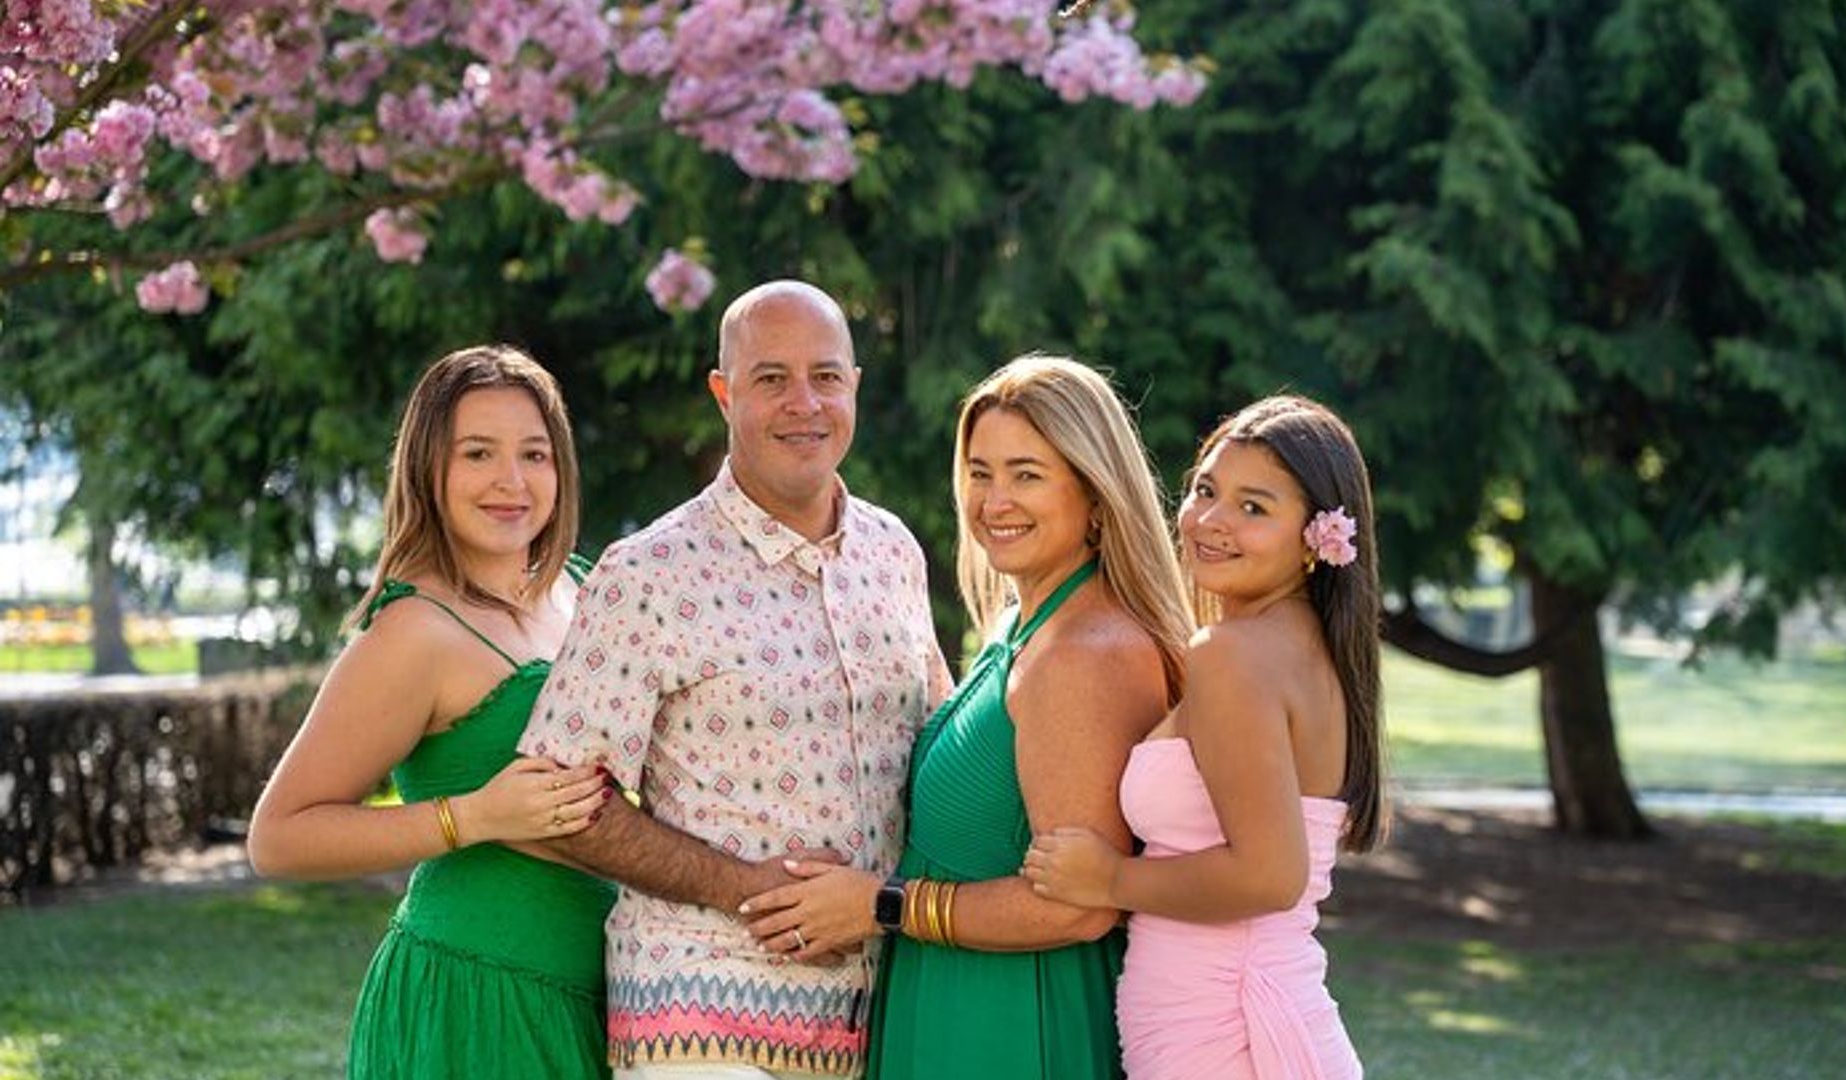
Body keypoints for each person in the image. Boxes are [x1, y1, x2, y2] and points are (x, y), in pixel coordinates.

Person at [515, 280, 951, 1079]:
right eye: (771, 378)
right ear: (724, 393)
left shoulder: (895, 552)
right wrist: (745, 887)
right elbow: (560, 801)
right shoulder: (649, 572)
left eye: (825, 376)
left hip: (881, 1015)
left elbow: (935, 753)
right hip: (704, 1019)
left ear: (855, 384)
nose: (804, 403)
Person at [736, 354, 1194, 1080]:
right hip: (954, 996)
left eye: (1027, 474)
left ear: (1095, 494)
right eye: (981, 473)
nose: (995, 500)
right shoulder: (1021, 626)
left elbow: (1077, 909)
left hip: (1013, 1020)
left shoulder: (1086, 652)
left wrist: (881, 907)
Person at [248, 345, 618, 1079]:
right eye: (478, 453)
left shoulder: (587, 591)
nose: (511, 481)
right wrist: (474, 818)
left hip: (611, 995)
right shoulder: (414, 633)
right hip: (476, 1001)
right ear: (430, 469)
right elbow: (278, 838)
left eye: (535, 454)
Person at [1022, 394, 1387, 1080]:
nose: (1211, 522)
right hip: (1237, 1004)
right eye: (1205, 490)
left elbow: (1269, 876)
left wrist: (1109, 879)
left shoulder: (1232, 655)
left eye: (1254, 507)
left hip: (1222, 1022)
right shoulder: (1306, 648)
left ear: (1316, 536)